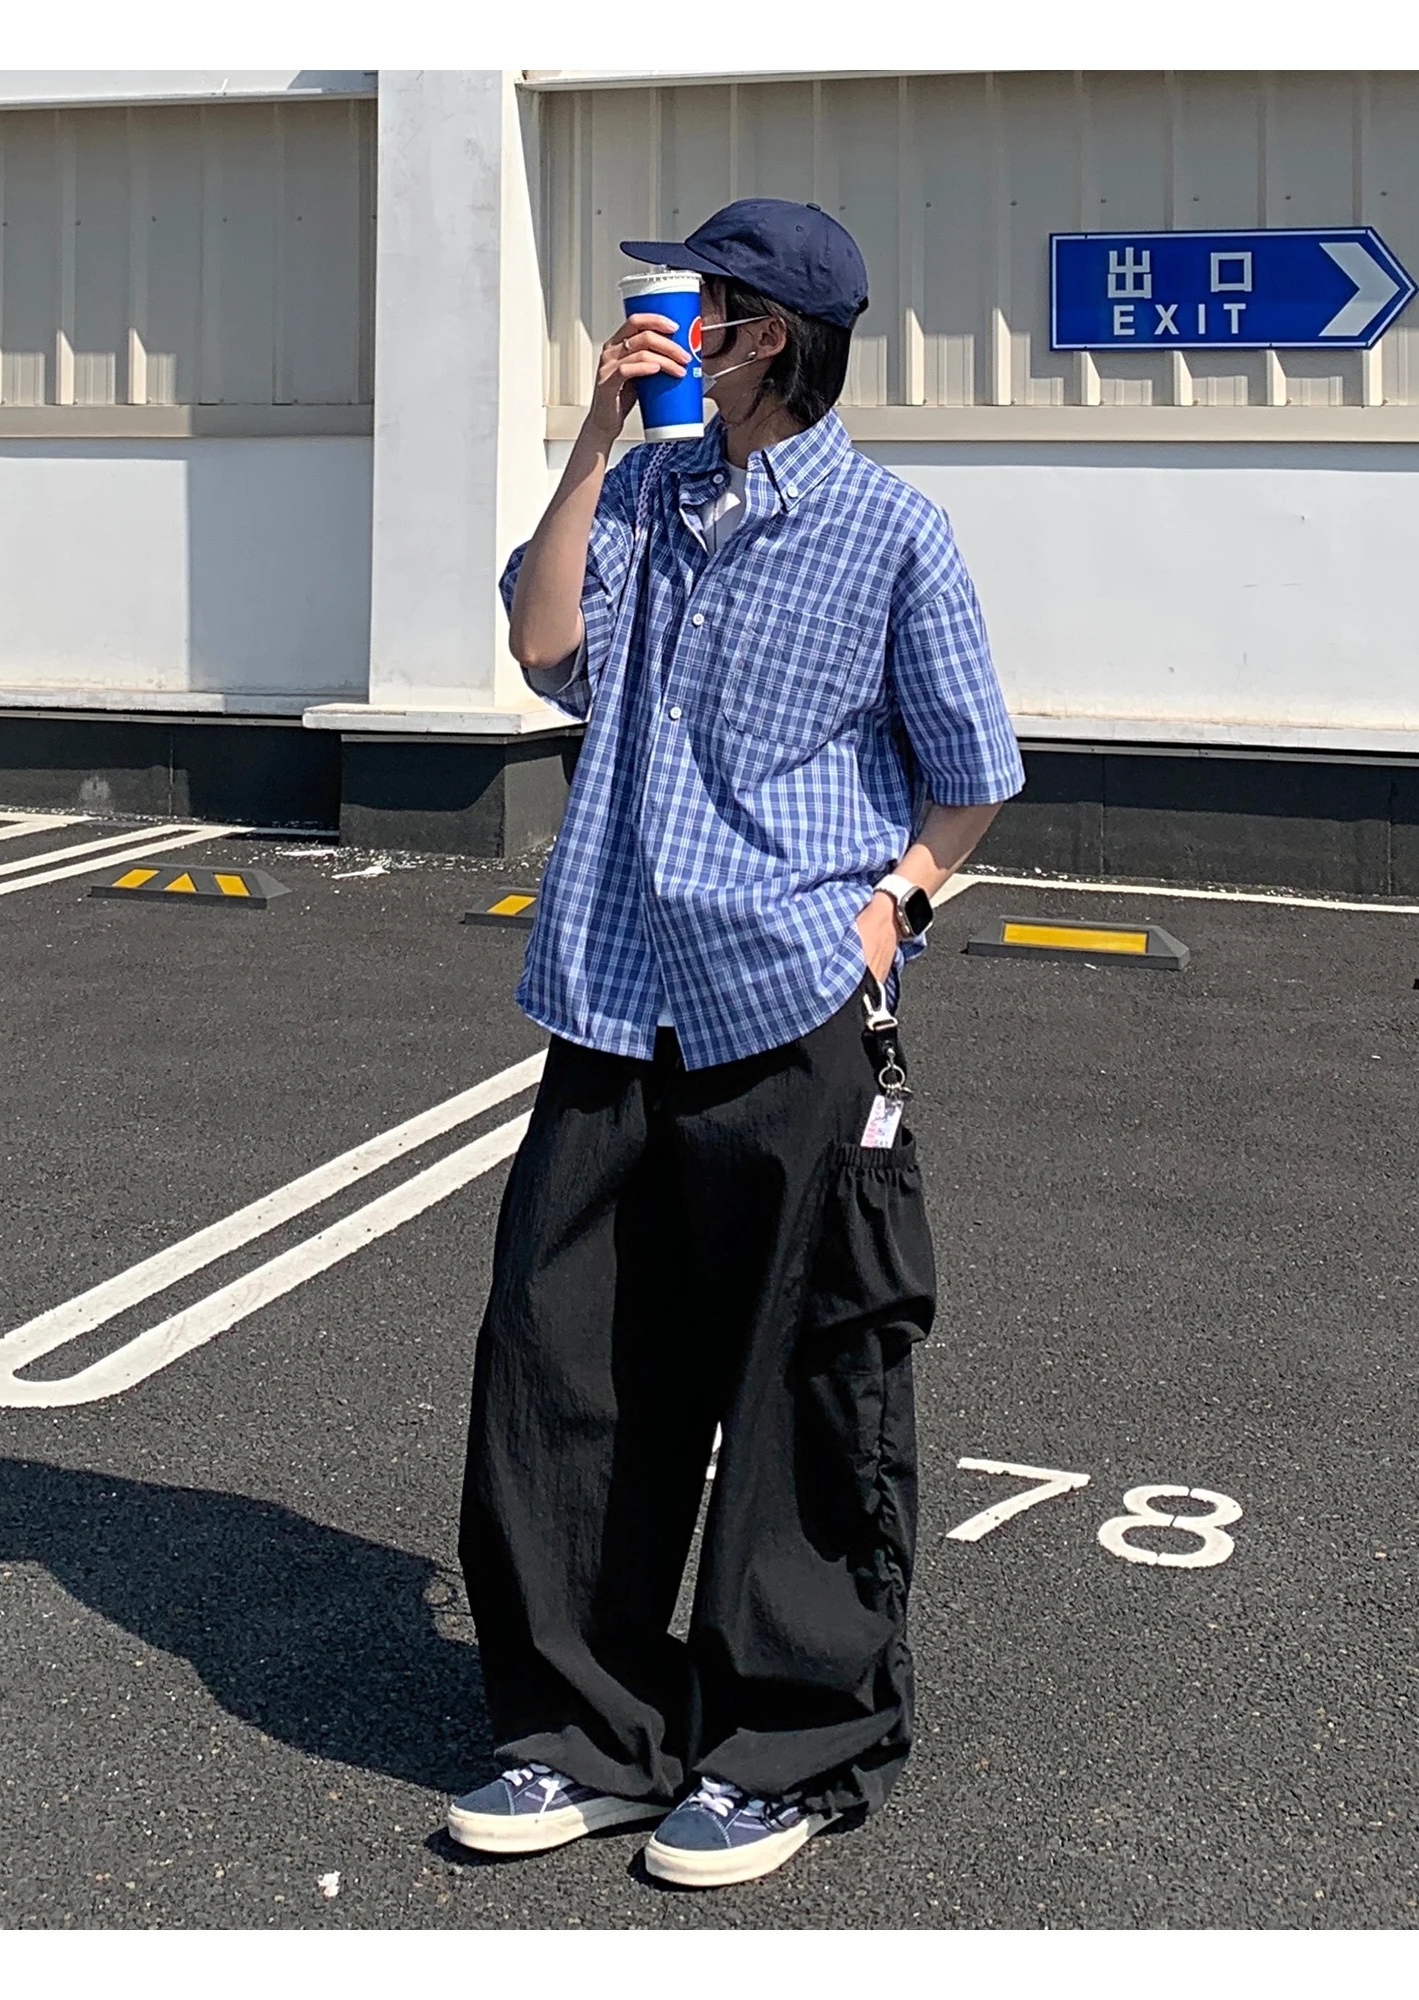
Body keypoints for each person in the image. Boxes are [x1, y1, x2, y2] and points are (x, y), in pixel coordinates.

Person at [447, 198, 1024, 1889]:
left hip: (789, 1001)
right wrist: (593, 437)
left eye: (697, 301)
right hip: (611, 992)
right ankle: (585, 1736)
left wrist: (895, 906)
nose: (668, 318)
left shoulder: (892, 535)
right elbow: (545, 649)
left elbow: (973, 768)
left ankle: (787, 1747)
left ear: (764, 335)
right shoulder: (640, 492)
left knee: (804, 1384)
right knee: (563, 1372)